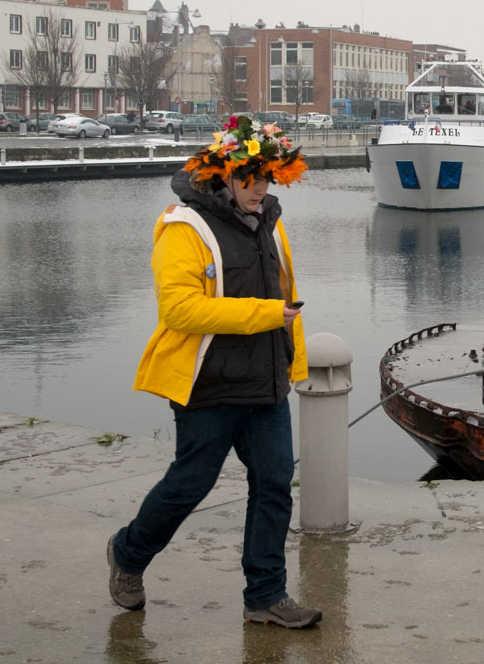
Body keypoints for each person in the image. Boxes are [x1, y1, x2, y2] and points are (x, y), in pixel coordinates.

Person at [106, 115, 322, 629]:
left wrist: (292, 361)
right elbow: (179, 310)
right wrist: (267, 315)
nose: (259, 187)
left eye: (267, 176)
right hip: (209, 383)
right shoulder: (185, 228)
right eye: (249, 177)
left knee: (273, 483)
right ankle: (128, 554)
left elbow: (284, 292)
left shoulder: (270, 219)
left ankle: (265, 595)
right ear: (222, 173)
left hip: (264, 380)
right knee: (189, 484)